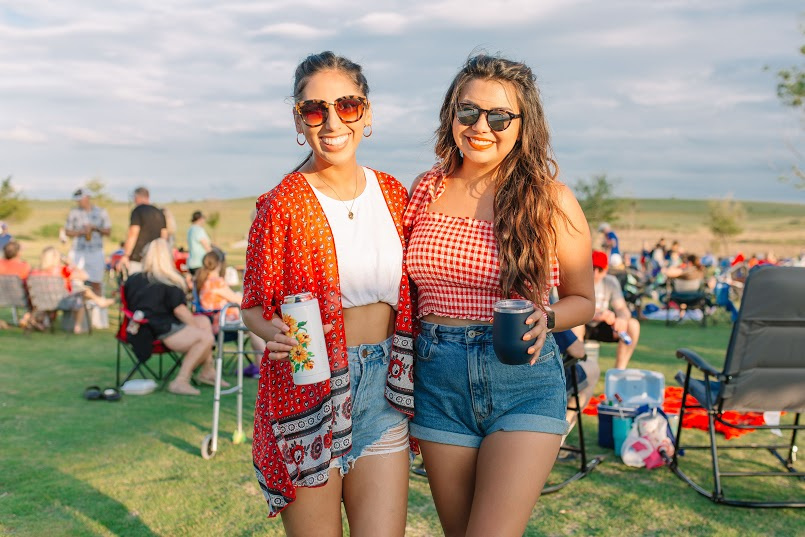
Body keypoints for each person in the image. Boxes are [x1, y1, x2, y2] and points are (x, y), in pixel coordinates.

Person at [404, 54, 595, 537]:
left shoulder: (550, 198)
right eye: (468, 112)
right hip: (438, 378)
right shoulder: (426, 189)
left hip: (522, 379)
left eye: (499, 116)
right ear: (452, 115)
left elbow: (583, 300)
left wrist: (545, 316)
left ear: (522, 124)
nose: (480, 127)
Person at [240, 51, 414, 534]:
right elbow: (253, 306)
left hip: (382, 385)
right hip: (308, 391)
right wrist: (271, 331)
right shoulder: (282, 204)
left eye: (347, 105)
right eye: (315, 110)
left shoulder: (395, 194)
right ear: (299, 120)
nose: (332, 120)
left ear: (367, 113)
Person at [123, 238, 223, 396]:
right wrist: (195, 328)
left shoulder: (133, 279)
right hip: (160, 329)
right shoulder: (168, 281)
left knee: (203, 321)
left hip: (138, 327)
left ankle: (207, 370)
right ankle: (181, 380)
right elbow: (180, 311)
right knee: (206, 338)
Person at [195, 249, 266, 366]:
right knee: (254, 324)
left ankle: (260, 365)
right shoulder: (216, 282)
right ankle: (265, 363)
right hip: (221, 324)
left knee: (252, 326)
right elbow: (239, 300)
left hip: (210, 322)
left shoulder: (202, 280)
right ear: (219, 264)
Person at [572, 250, 640, 370]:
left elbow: (621, 308)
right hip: (582, 323)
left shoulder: (610, 282)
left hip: (601, 326)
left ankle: (619, 371)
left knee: (633, 325)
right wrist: (596, 315)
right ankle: (578, 370)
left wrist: (622, 319)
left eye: (600, 269)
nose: (595, 273)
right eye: (592, 268)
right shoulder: (576, 280)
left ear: (606, 270)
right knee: (576, 326)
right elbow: (571, 311)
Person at [29, 246, 114, 332]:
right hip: (61, 301)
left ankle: (99, 301)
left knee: (82, 292)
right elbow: (85, 276)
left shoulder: (35, 272)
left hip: (41, 301)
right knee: (82, 293)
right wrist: (71, 264)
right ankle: (78, 326)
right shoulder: (62, 270)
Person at [64, 188, 111, 296]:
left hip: (96, 250)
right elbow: (67, 231)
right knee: (75, 281)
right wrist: (81, 232)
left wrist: (95, 228)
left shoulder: (101, 212)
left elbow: (108, 231)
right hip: (78, 250)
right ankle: (79, 308)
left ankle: (97, 309)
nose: (79, 202)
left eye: (81, 199)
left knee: (96, 281)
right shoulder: (74, 213)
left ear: (87, 197)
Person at [120, 187, 167, 273]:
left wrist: (126, 255)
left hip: (138, 257)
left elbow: (133, 234)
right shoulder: (159, 212)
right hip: (156, 257)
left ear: (137, 197)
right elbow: (164, 236)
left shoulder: (137, 211)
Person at [186, 211, 212, 275]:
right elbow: (206, 245)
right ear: (200, 219)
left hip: (191, 262)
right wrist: (213, 256)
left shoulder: (190, 230)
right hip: (200, 262)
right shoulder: (198, 230)